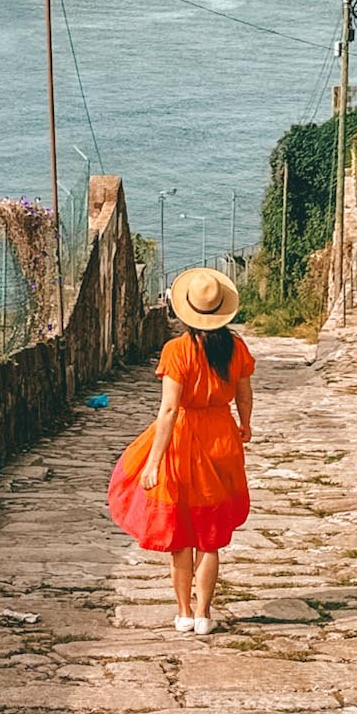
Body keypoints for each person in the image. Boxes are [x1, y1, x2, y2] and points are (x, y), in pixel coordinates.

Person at [106, 266, 255, 635]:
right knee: (210, 535)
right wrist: (245, 424)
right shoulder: (236, 347)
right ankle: (205, 614)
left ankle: (185, 612)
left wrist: (153, 461)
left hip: (182, 438)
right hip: (221, 436)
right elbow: (245, 393)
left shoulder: (177, 351)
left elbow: (170, 409)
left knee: (182, 535)